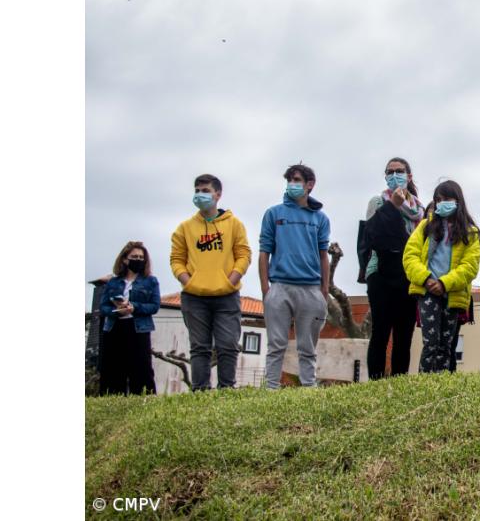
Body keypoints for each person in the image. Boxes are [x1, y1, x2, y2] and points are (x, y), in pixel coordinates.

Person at [170, 174, 252, 390]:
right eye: (197, 190)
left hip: (227, 296)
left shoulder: (234, 224)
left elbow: (243, 254)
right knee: (199, 347)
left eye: (205, 190)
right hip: (194, 297)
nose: (200, 195)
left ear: (218, 194)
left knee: (228, 345)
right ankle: (200, 391)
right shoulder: (184, 228)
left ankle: (226, 389)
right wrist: (187, 281)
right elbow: (177, 259)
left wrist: (231, 279)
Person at [260, 164, 331, 389]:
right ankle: (270, 388)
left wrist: (324, 290)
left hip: (311, 288)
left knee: (307, 346)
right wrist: (265, 289)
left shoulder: (321, 218)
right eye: (290, 179)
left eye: (297, 179)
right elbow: (264, 252)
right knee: (276, 344)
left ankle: (309, 388)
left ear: (310, 184)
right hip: (279, 286)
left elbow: (323, 255)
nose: (293, 184)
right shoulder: (273, 213)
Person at [402, 180, 480, 374]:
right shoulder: (425, 227)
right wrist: (427, 279)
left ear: (458, 200)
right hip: (427, 290)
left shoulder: (470, 233)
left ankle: (442, 382)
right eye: (438, 199)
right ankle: (424, 383)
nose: (441, 203)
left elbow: (470, 266)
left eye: (446, 199)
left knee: (446, 344)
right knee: (431, 342)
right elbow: (409, 256)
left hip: (452, 293)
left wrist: (445, 283)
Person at [360, 157, 425, 379]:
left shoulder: (420, 209)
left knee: (404, 334)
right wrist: (393, 206)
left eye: (399, 171)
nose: (394, 175)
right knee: (380, 330)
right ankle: (376, 382)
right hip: (381, 273)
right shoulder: (378, 202)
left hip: (408, 275)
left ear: (409, 176)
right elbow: (372, 235)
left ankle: (399, 383)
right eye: (389, 172)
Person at [97, 241, 160, 395]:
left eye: (141, 257)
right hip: (114, 327)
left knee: (141, 368)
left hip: (138, 328)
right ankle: (111, 400)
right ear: (125, 259)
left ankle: (143, 400)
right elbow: (103, 307)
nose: (138, 260)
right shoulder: (113, 281)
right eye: (134, 256)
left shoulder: (151, 281)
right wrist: (116, 310)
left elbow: (154, 306)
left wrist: (134, 307)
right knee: (112, 368)